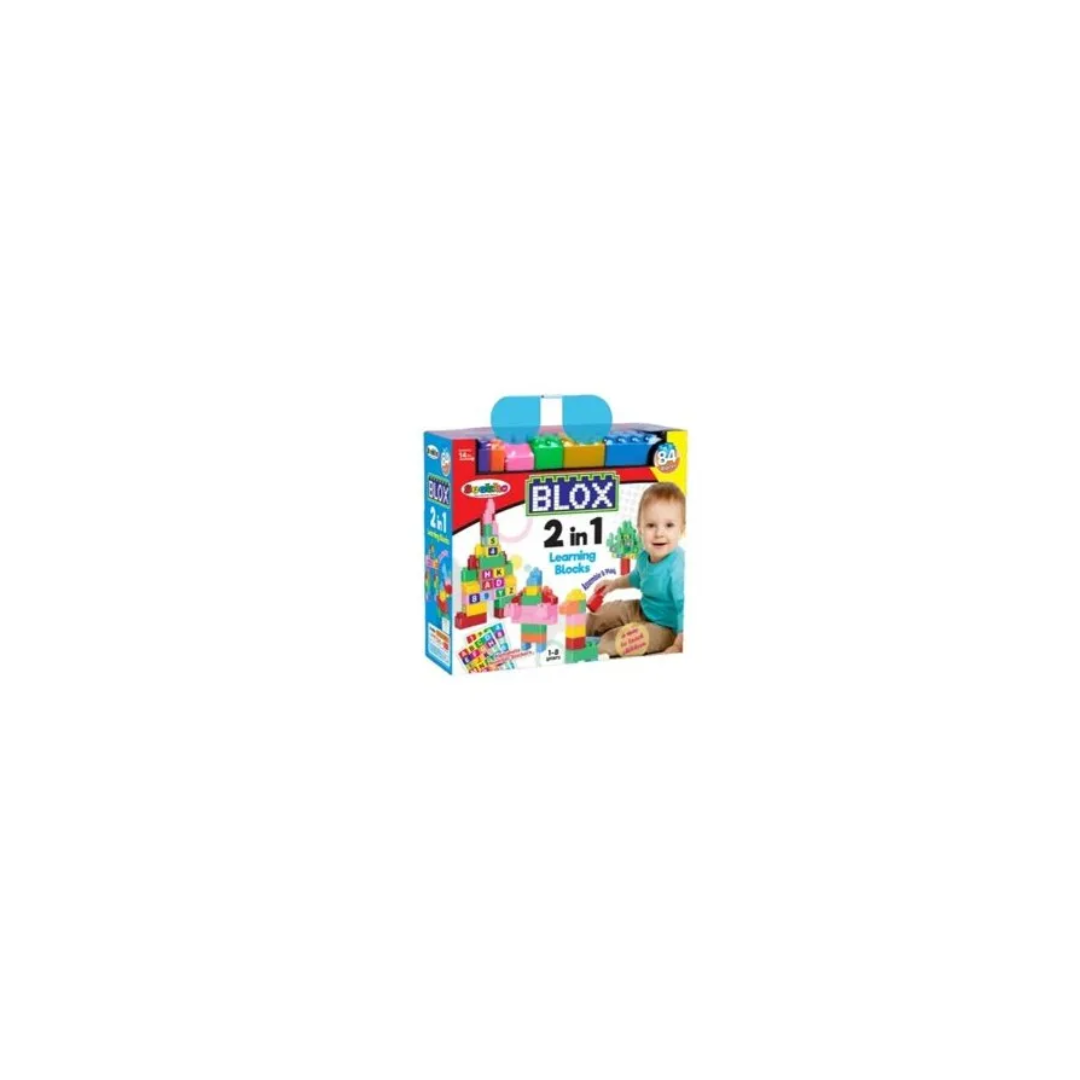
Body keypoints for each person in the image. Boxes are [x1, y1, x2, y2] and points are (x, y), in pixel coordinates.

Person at [587, 481, 685, 656]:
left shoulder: (679, 566)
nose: (659, 533)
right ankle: (575, 629)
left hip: (667, 628)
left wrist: (679, 644)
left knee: (628, 638)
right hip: (642, 609)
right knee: (607, 612)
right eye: (651, 525)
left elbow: (685, 607)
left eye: (669, 525)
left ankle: (596, 648)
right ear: (640, 529)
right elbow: (635, 578)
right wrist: (613, 584)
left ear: (682, 529)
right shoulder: (644, 557)